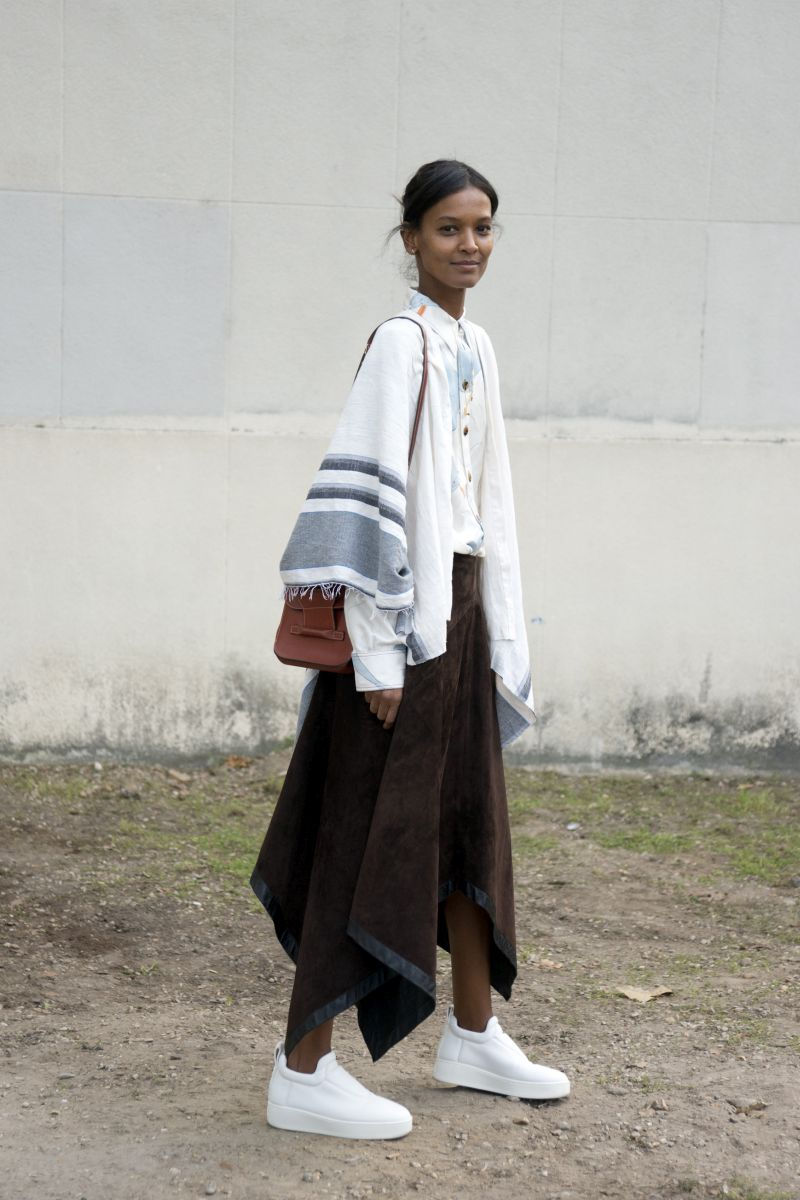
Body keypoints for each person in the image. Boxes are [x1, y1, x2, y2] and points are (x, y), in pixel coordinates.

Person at [251, 160, 570, 1140]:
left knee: (468, 818)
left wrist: (495, 632)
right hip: (406, 618)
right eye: (446, 228)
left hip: (461, 611)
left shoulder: (475, 342)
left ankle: (471, 1034)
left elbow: (485, 504)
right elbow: (366, 496)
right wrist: (380, 654)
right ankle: (302, 1066)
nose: (467, 244)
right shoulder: (401, 345)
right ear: (408, 239)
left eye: (482, 228)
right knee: (363, 827)